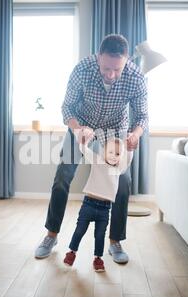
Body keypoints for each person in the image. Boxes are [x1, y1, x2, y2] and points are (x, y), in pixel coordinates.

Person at [35, 34, 148, 264]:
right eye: (106, 68)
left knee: (123, 182)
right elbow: (67, 107)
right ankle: (51, 235)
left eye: (117, 69)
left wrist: (135, 134)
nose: (111, 74)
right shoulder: (83, 70)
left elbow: (143, 115)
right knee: (63, 176)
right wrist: (78, 129)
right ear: (98, 57)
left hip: (115, 131)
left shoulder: (136, 77)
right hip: (82, 126)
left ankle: (115, 241)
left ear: (126, 61)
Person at [63, 135, 133, 272]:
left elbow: (128, 160)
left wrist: (130, 149)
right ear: (104, 152)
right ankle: (72, 252)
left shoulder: (117, 169)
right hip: (88, 205)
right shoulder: (97, 161)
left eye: (118, 154)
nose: (113, 156)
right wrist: (86, 141)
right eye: (111, 152)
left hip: (104, 209)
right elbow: (83, 149)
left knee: (100, 235)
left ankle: (98, 258)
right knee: (80, 230)